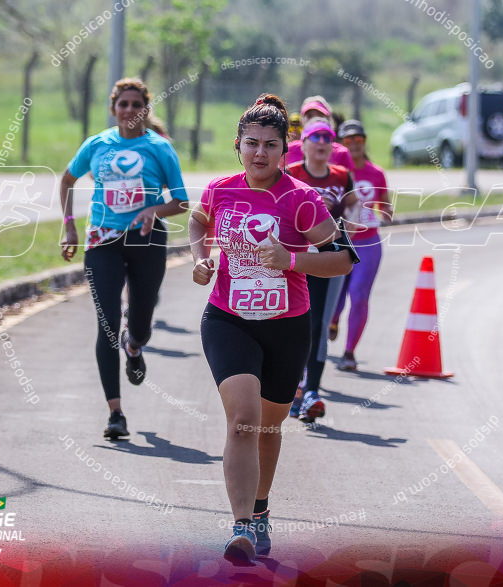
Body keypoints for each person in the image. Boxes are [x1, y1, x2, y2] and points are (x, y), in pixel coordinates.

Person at [189, 94, 354, 564]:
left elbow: (342, 259)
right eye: (251, 143)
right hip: (228, 319)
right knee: (242, 420)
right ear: (237, 146)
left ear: (287, 151)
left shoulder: (301, 200)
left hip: (285, 326)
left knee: (267, 425)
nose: (259, 153)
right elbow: (199, 223)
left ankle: (261, 508)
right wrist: (201, 259)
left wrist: (292, 259)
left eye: (270, 145)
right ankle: (241, 525)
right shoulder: (221, 190)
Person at [59, 78, 188, 440]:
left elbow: (180, 200)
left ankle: (135, 347)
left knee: (141, 322)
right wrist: (69, 227)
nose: (129, 110)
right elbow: (66, 180)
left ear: (146, 109)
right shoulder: (97, 144)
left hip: (147, 239)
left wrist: (153, 210)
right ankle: (116, 413)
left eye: (136, 104)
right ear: (114, 108)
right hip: (103, 240)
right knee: (107, 324)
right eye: (123, 104)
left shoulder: (159, 148)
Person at [286, 119, 358, 422]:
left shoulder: (342, 176)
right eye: (314, 136)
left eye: (327, 137)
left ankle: (312, 391)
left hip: (328, 260)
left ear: (333, 145)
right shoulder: (291, 173)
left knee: (318, 325)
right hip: (294, 259)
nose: (321, 142)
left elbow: (354, 208)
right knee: (291, 323)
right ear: (302, 143)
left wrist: (350, 221)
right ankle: (291, 388)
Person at [330, 120, 393, 370]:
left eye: (359, 140)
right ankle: (332, 320)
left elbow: (387, 210)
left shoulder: (375, 173)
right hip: (338, 241)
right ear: (341, 145)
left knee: (358, 296)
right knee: (335, 297)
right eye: (349, 141)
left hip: (368, 242)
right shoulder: (334, 172)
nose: (355, 145)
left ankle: (349, 352)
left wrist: (379, 215)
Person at [283, 97, 353, 170]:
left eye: (320, 115)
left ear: (329, 120)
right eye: (310, 116)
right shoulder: (289, 149)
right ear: (302, 121)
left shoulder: (341, 153)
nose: (315, 119)